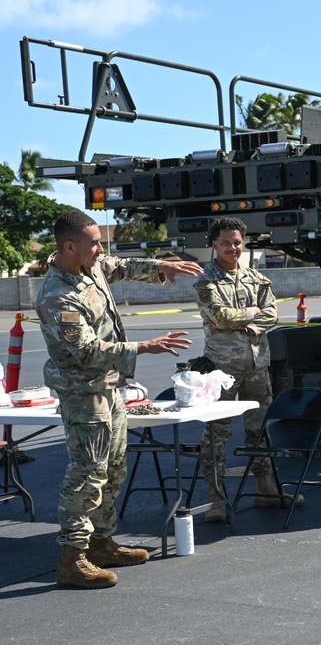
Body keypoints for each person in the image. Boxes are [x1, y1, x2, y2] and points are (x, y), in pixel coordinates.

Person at [36, 210, 202, 589]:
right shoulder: (57, 296)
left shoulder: (88, 266)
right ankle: (72, 557)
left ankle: (101, 542)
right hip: (84, 393)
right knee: (86, 474)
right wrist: (146, 346)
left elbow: (120, 264)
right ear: (69, 246)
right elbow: (85, 352)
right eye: (94, 243)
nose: (101, 249)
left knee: (112, 468)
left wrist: (160, 265)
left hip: (108, 387)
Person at [194, 217, 297, 522]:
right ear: (214, 244)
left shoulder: (257, 279)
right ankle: (215, 499)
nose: (232, 248)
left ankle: (266, 489)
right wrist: (252, 313)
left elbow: (273, 314)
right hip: (221, 371)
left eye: (237, 242)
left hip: (256, 366)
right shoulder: (205, 281)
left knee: (260, 430)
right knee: (216, 433)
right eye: (225, 242)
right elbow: (218, 315)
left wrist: (248, 323)